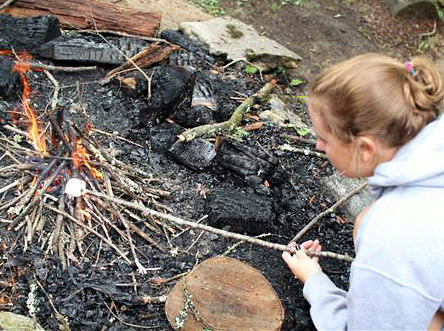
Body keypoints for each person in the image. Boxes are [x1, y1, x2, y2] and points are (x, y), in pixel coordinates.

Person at [282, 53, 444, 330]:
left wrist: (315, 282)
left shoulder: (393, 233)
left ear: (366, 149)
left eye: (324, 138)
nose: (319, 147)